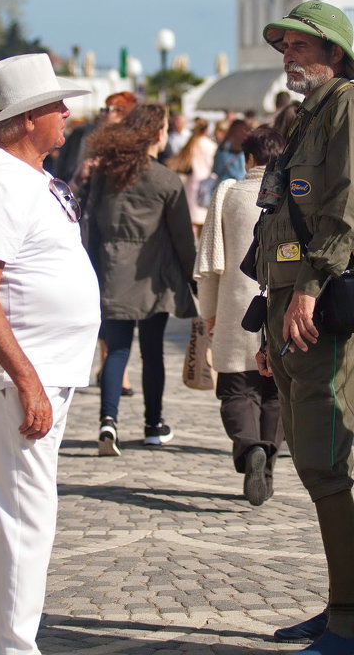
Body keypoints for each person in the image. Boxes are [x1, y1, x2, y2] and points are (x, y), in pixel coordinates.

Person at [0, 53, 98, 654]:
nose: (67, 112)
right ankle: (13, 648)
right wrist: (27, 377)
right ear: (28, 117)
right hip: (20, 375)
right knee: (26, 520)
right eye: (56, 105)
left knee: (11, 516)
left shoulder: (25, 176)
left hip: (38, 369)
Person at [258, 1, 354, 654]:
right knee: (311, 461)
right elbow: (279, 221)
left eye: (299, 45)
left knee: (324, 462)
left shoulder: (348, 107)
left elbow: (349, 209)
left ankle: (347, 624)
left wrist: (308, 289)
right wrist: (267, 322)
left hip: (320, 306)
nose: (288, 55)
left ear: (332, 52)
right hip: (287, 309)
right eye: (284, 45)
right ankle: (341, 606)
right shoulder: (309, 117)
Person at [85, 103, 196, 455]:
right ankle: (153, 424)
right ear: (159, 134)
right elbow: (182, 239)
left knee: (115, 350)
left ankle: (108, 421)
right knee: (152, 353)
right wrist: (194, 279)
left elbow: (89, 222)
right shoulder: (165, 179)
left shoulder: (105, 175)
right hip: (153, 276)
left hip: (110, 270)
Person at [195, 126, 286, 506]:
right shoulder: (293, 194)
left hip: (236, 306)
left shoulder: (228, 194)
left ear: (248, 159)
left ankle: (250, 450)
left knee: (237, 388)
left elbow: (211, 263)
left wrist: (209, 313)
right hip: (281, 306)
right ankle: (265, 469)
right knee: (276, 391)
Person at [58, 91, 136, 187]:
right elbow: (70, 171)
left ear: (122, 113)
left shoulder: (132, 145)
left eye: (108, 110)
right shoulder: (91, 137)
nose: (102, 114)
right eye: (103, 109)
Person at [168, 117, 218, 235]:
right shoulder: (211, 145)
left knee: (193, 220)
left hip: (192, 182)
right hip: (207, 183)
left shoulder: (191, 144)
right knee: (205, 220)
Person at [211, 118, 250, 183]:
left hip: (223, 183)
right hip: (241, 184)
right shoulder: (248, 147)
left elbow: (216, 169)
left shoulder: (223, 146)